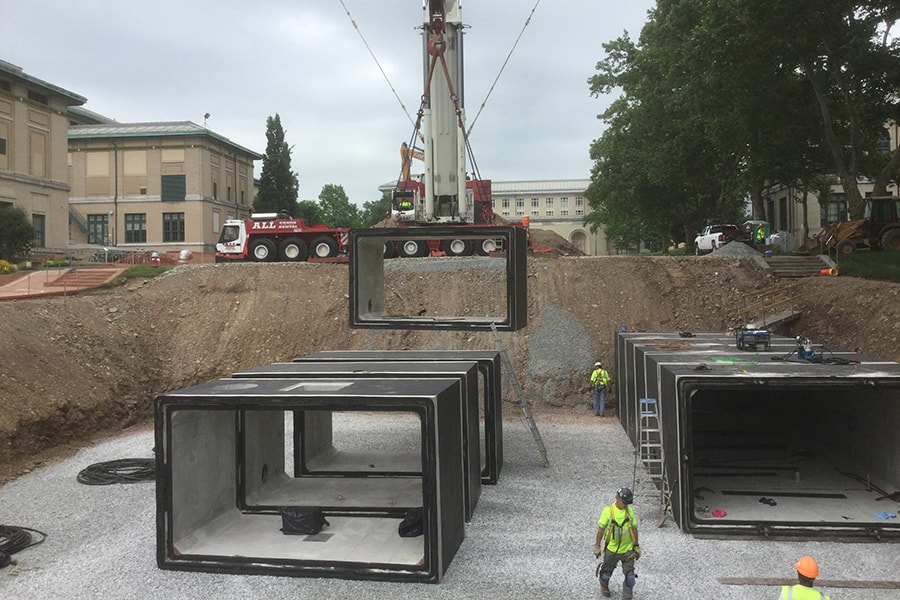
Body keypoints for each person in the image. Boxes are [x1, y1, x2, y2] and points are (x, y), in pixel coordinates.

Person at [594, 487, 639, 598]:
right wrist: (597, 546)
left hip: (627, 550)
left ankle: (627, 597)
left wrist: (636, 545)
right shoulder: (608, 511)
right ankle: (604, 586)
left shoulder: (629, 512)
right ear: (617, 499)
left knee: (630, 577)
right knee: (605, 574)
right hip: (612, 549)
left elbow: (634, 529)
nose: (625, 505)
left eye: (627, 503)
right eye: (624, 502)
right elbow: (601, 530)